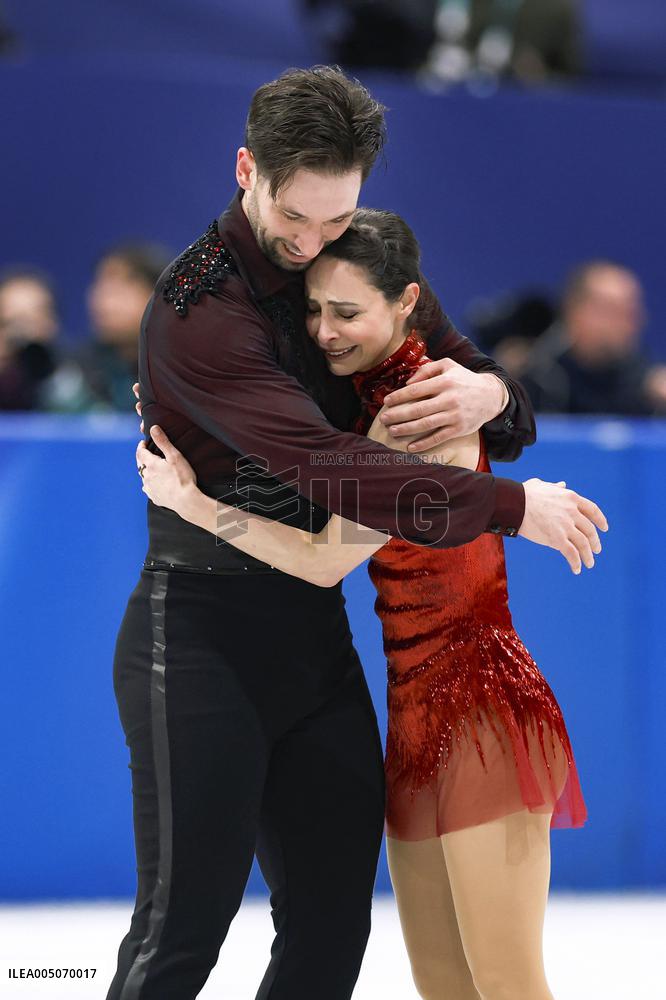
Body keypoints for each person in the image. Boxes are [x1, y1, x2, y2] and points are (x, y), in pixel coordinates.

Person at [110, 65, 604, 1000]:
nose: (311, 246)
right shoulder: (197, 314)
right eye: (294, 219)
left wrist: (490, 391)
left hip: (326, 643)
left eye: (333, 219)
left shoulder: (355, 259)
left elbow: (498, 402)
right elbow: (333, 471)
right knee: (183, 931)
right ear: (247, 170)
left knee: (334, 925)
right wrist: (511, 506)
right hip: (202, 633)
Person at [521, 260, 666, 416]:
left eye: (632, 311)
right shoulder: (539, 380)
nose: (632, 322)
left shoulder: (649, 382)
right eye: (614, 310)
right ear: (575, 313)